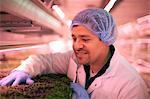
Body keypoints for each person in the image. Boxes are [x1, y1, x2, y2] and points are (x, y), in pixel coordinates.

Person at [0, 8, 149, 99]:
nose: (77, 46)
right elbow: (45, 61)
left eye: (85, 39)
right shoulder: (74, 59)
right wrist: (23, 69)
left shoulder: (131, 86)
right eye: (74, 38)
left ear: (105, 40)